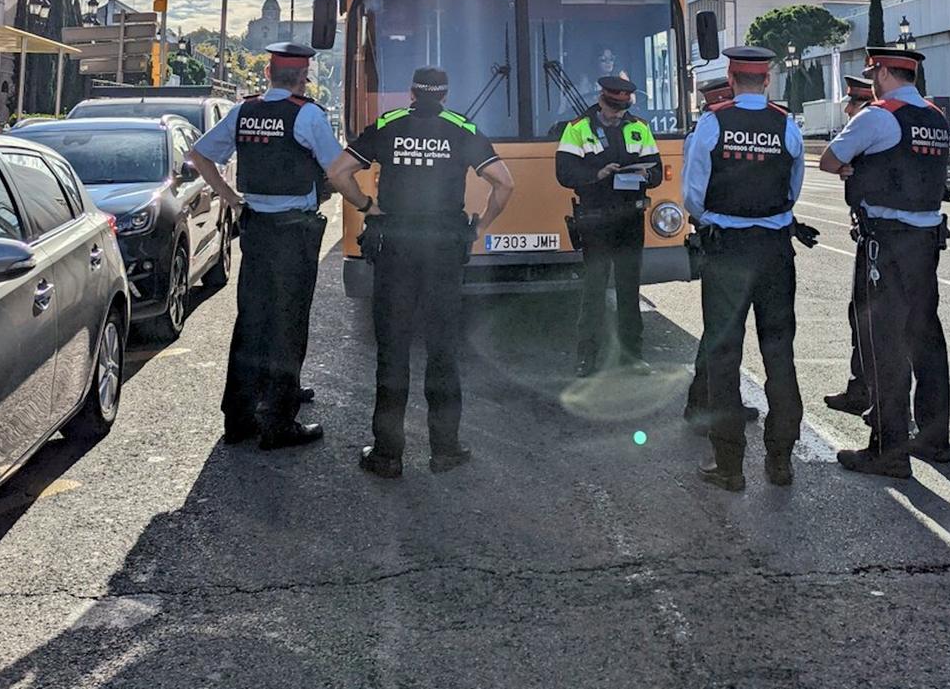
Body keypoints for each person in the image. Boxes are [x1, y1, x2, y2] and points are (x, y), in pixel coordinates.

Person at [328, 67, 514, 479]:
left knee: (393, 350)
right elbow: (504, 183)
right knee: (443, 349)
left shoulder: (389, 125)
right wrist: (479, 226)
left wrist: (366, 205)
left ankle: (387, 455)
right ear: (445, 95)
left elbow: (338, 172)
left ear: (412, 92)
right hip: (445, 250)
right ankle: (445, 450)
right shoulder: (462, 128)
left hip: (395, 248)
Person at [189, 42, 341, 450]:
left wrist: (230, 197)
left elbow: (200, 155)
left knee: (253, 318)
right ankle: (278, 420)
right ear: (302, 77)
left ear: (269, 74)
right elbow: (337, 167)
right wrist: (363, 203)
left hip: (256, 226)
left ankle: (239, 417)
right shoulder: (306, 114)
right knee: (288, 321)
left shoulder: (245, 110)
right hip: (294, 231)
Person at [818, 47, 950, 478]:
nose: (872, 78)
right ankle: (933, 438)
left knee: (883, 343)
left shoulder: (879, 115)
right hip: (926, 240)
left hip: (887, 243)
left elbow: (829, 160)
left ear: (884, 73)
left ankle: (887, 449)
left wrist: (854, 169)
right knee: (926, 339)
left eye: (873, 71)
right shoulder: (935, 117)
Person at [682, 46, 804, 491]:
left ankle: (729, 465)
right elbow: (793, 191)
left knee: (723, 357)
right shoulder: (786, 125)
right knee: (779, 354)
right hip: (774, 250)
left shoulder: (713, 123)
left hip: (726, 250)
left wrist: (716, 216)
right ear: (767, 80)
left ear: (731, 79)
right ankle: (781, 460)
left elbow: (693, 194)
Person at [556, 74, 663, 377]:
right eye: (613, 107)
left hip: (630, 218)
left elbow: (655, 170)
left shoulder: (639, 127)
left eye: (622, 108)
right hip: (596, 218)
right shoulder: (577, 129)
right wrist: (597, 174)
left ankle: (632, 356)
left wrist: (646, 176)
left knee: (630, 290)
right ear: (602, 100)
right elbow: (564, 173)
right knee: (594, 289)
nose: (617, 114)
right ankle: (586, 358)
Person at [683, 77, 758, 433]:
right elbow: (693, 194)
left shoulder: (708, 131)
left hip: (720, 234)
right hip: (719, 237)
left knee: (725, 328)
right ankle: (704, 406)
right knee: (722, 330)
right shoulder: (704, 132)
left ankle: (713, 401)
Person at [823, 72, 879, 415]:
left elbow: (829, 159)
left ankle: (876, 398)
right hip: (869, 231)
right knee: (860, 314)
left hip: (880, 237)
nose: (847, 109)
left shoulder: (873, 124)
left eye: (852, 102)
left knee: (871, 317)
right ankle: (861, 389)